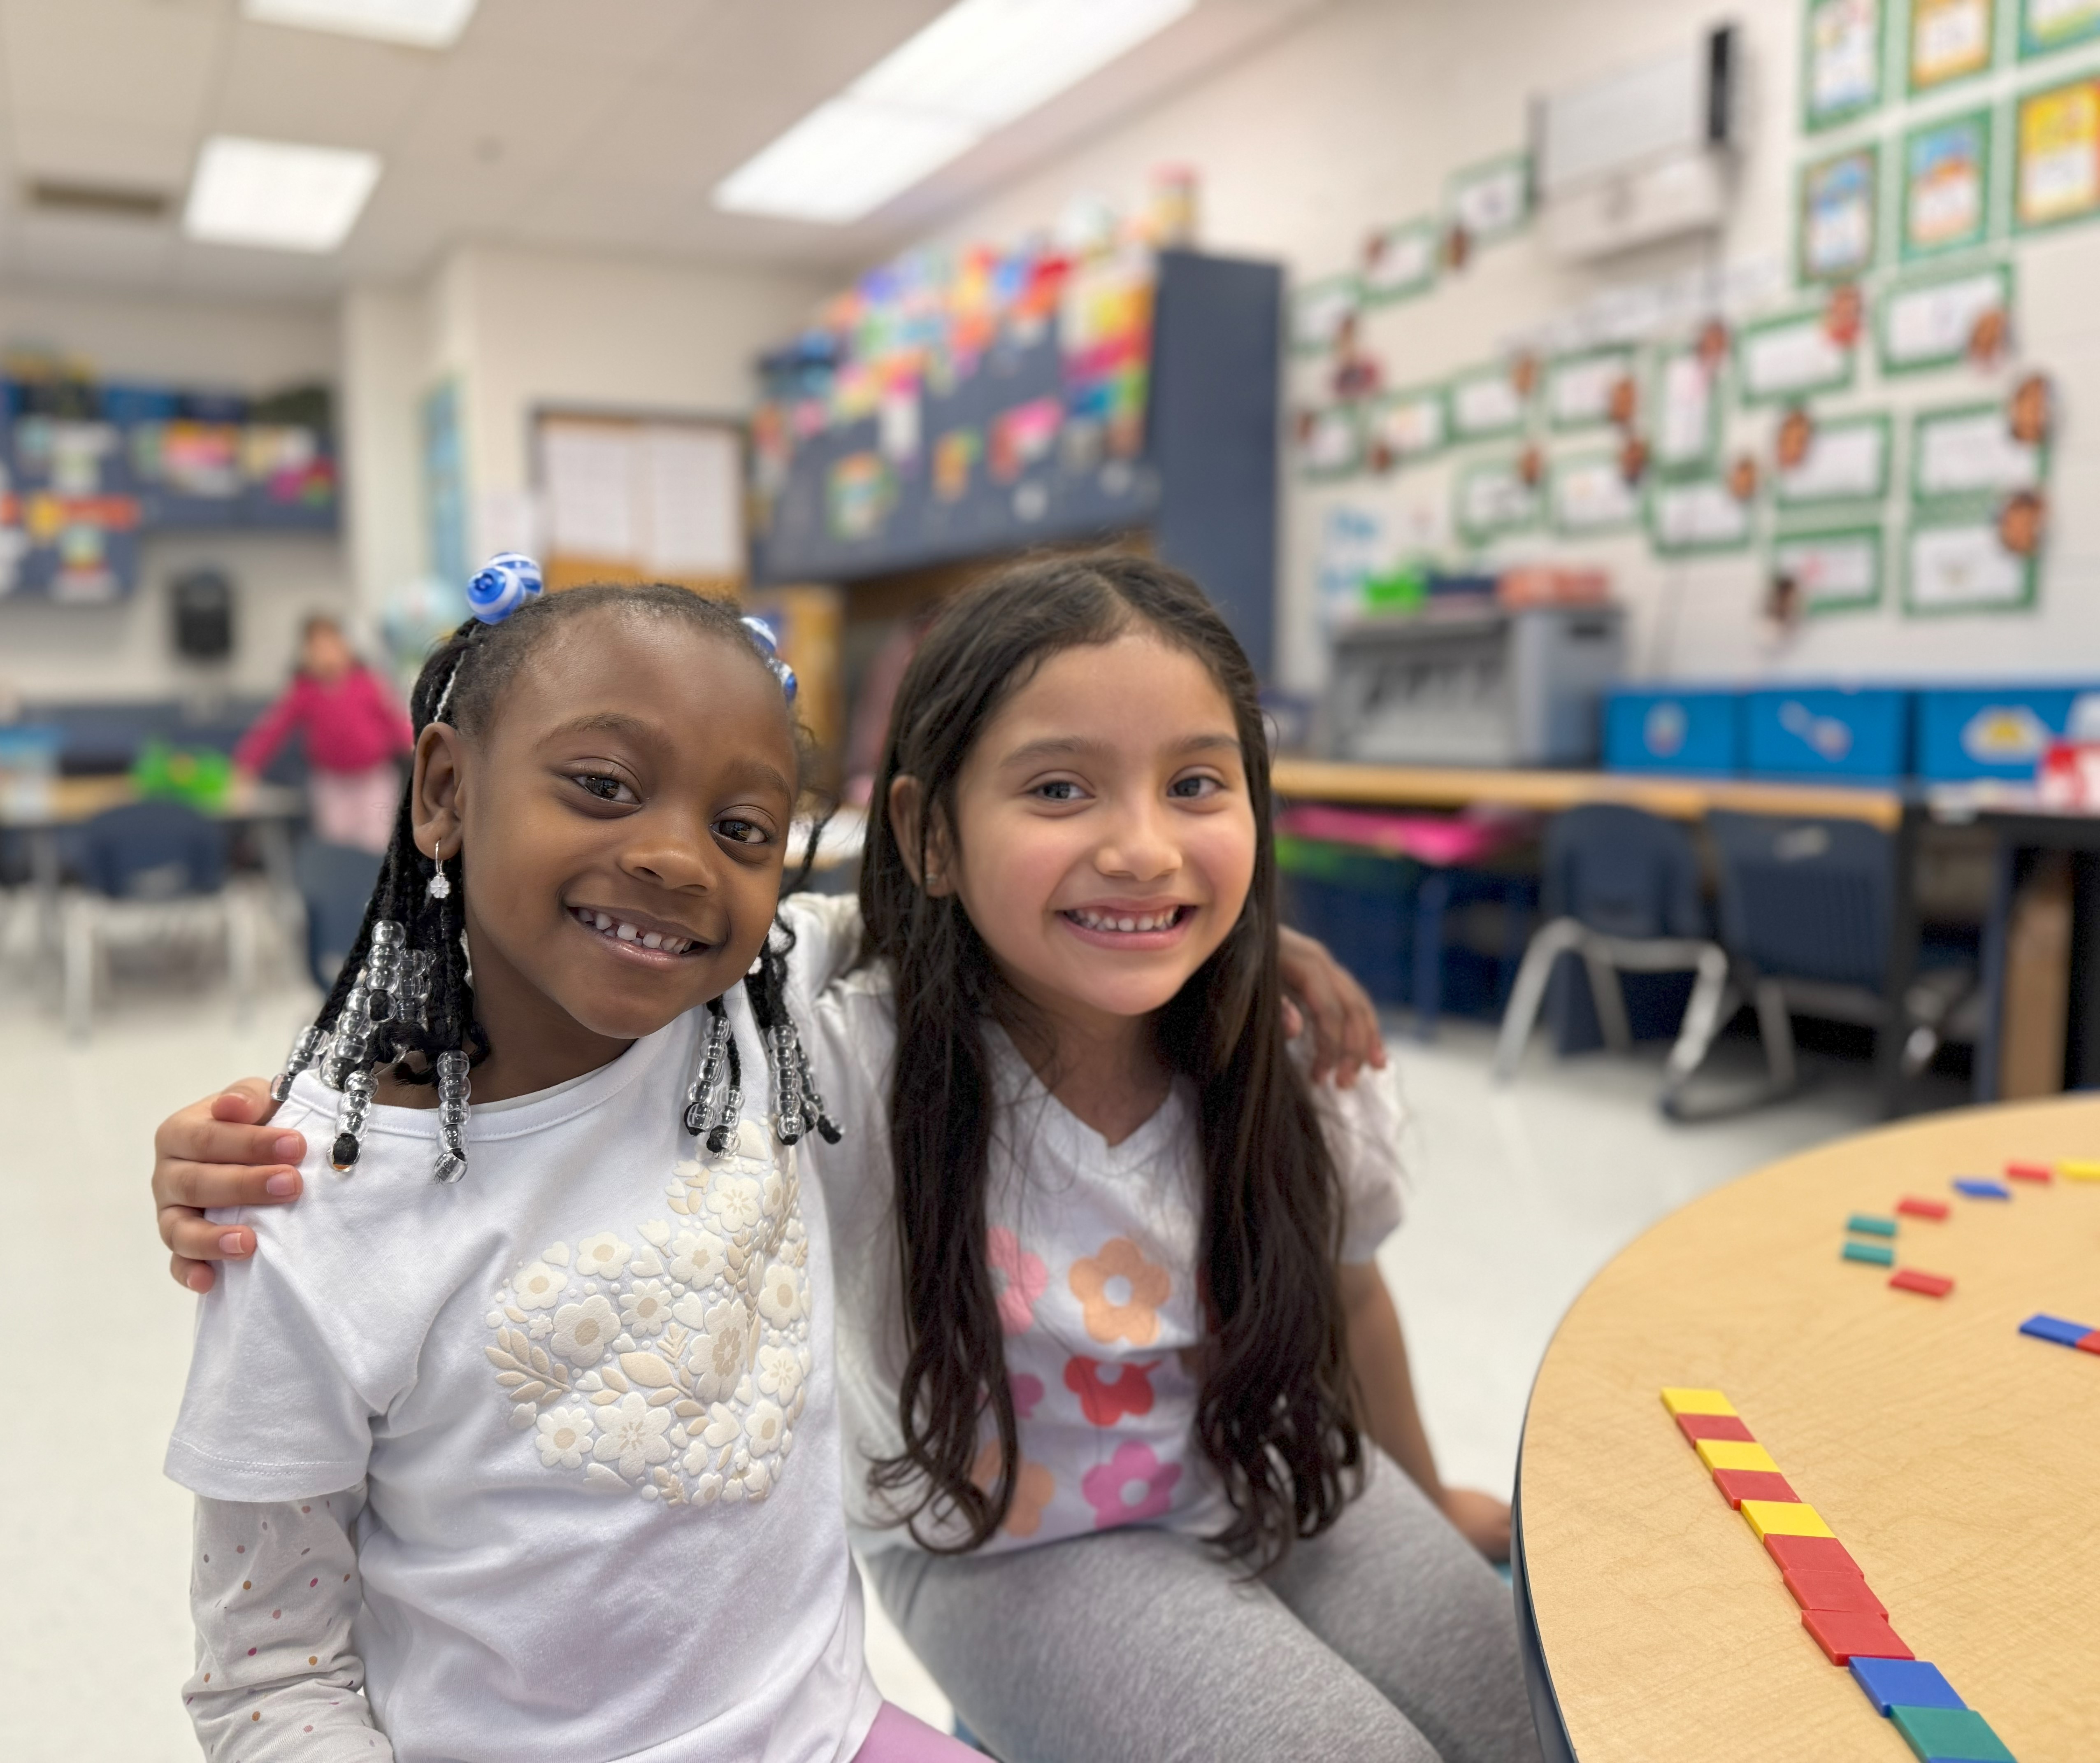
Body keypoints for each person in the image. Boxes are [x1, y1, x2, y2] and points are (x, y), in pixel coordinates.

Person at [158, 557, 1530, 1761]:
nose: (1139, 845)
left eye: (1197, 786)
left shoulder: (1287, 1052)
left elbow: (1348, 1291)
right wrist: (260, 1135)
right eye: (1061, 787)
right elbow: (556, 945)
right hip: (1016, 1540)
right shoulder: (826, 1031)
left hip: (1273, 1468)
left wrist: (1430, 1484)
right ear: (928, 837)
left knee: (1538, 1711)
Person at [167, 557, 973, 1762]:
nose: (676, 859)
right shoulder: (300, 1201)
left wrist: (1236, 955)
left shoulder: (748, 1015)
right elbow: (268, 1673)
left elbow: (929, 922)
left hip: (828, 1734)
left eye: (741, 827)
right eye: (602, 785)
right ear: (443, 789)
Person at [235, 614, 416, 853]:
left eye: (331, 646)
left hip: (374, 780)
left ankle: (378, 889)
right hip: (331, 783)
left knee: (377, 844)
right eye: (317, 649)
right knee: (337, 844)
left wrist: (419, 747)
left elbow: (395, 721)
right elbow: (272, 731)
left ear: (345, 647)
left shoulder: (368, 683)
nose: (326, 654)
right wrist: (246, 767)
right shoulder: (304, 692)